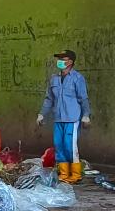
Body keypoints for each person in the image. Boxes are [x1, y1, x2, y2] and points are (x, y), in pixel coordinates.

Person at [37, 49, 90, 183]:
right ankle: (64, 174)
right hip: (58, 118)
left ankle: (76, 174)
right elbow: (49, 99)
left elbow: (83, 98)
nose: (59, 61)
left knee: (70, 146)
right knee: (58, 145)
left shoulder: (77, 78)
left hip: (72, 118)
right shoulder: (54, 78)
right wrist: (41, 114)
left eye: (63, 59)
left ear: (70, 62)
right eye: (59, 59)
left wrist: (86, 115)